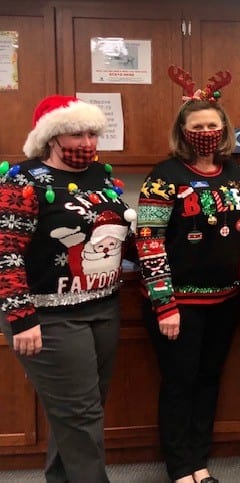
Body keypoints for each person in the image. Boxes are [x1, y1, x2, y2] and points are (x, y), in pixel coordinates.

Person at [0, 94, 136, 482]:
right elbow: (6, 251)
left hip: (102, 307)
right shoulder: (21, 180)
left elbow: (119, 233)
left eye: (92, 133)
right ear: (51, 136)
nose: (87, 143)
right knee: (80, 415)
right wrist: (22, 318)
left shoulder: (102, 177)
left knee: (80, 411)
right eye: (77, 134)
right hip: (48, 315)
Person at [136, 68, 240, 483]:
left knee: (209, 379)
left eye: (211, 126)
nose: (205, 133)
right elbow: (148, 240)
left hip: (225, 300)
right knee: (180, 383)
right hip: (178, 304)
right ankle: (181, 468)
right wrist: (164, 303)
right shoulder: (164, 175)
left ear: (224, 129)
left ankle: (200, 462)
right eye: (196, 127)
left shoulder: (233, 172)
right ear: (183, 132)